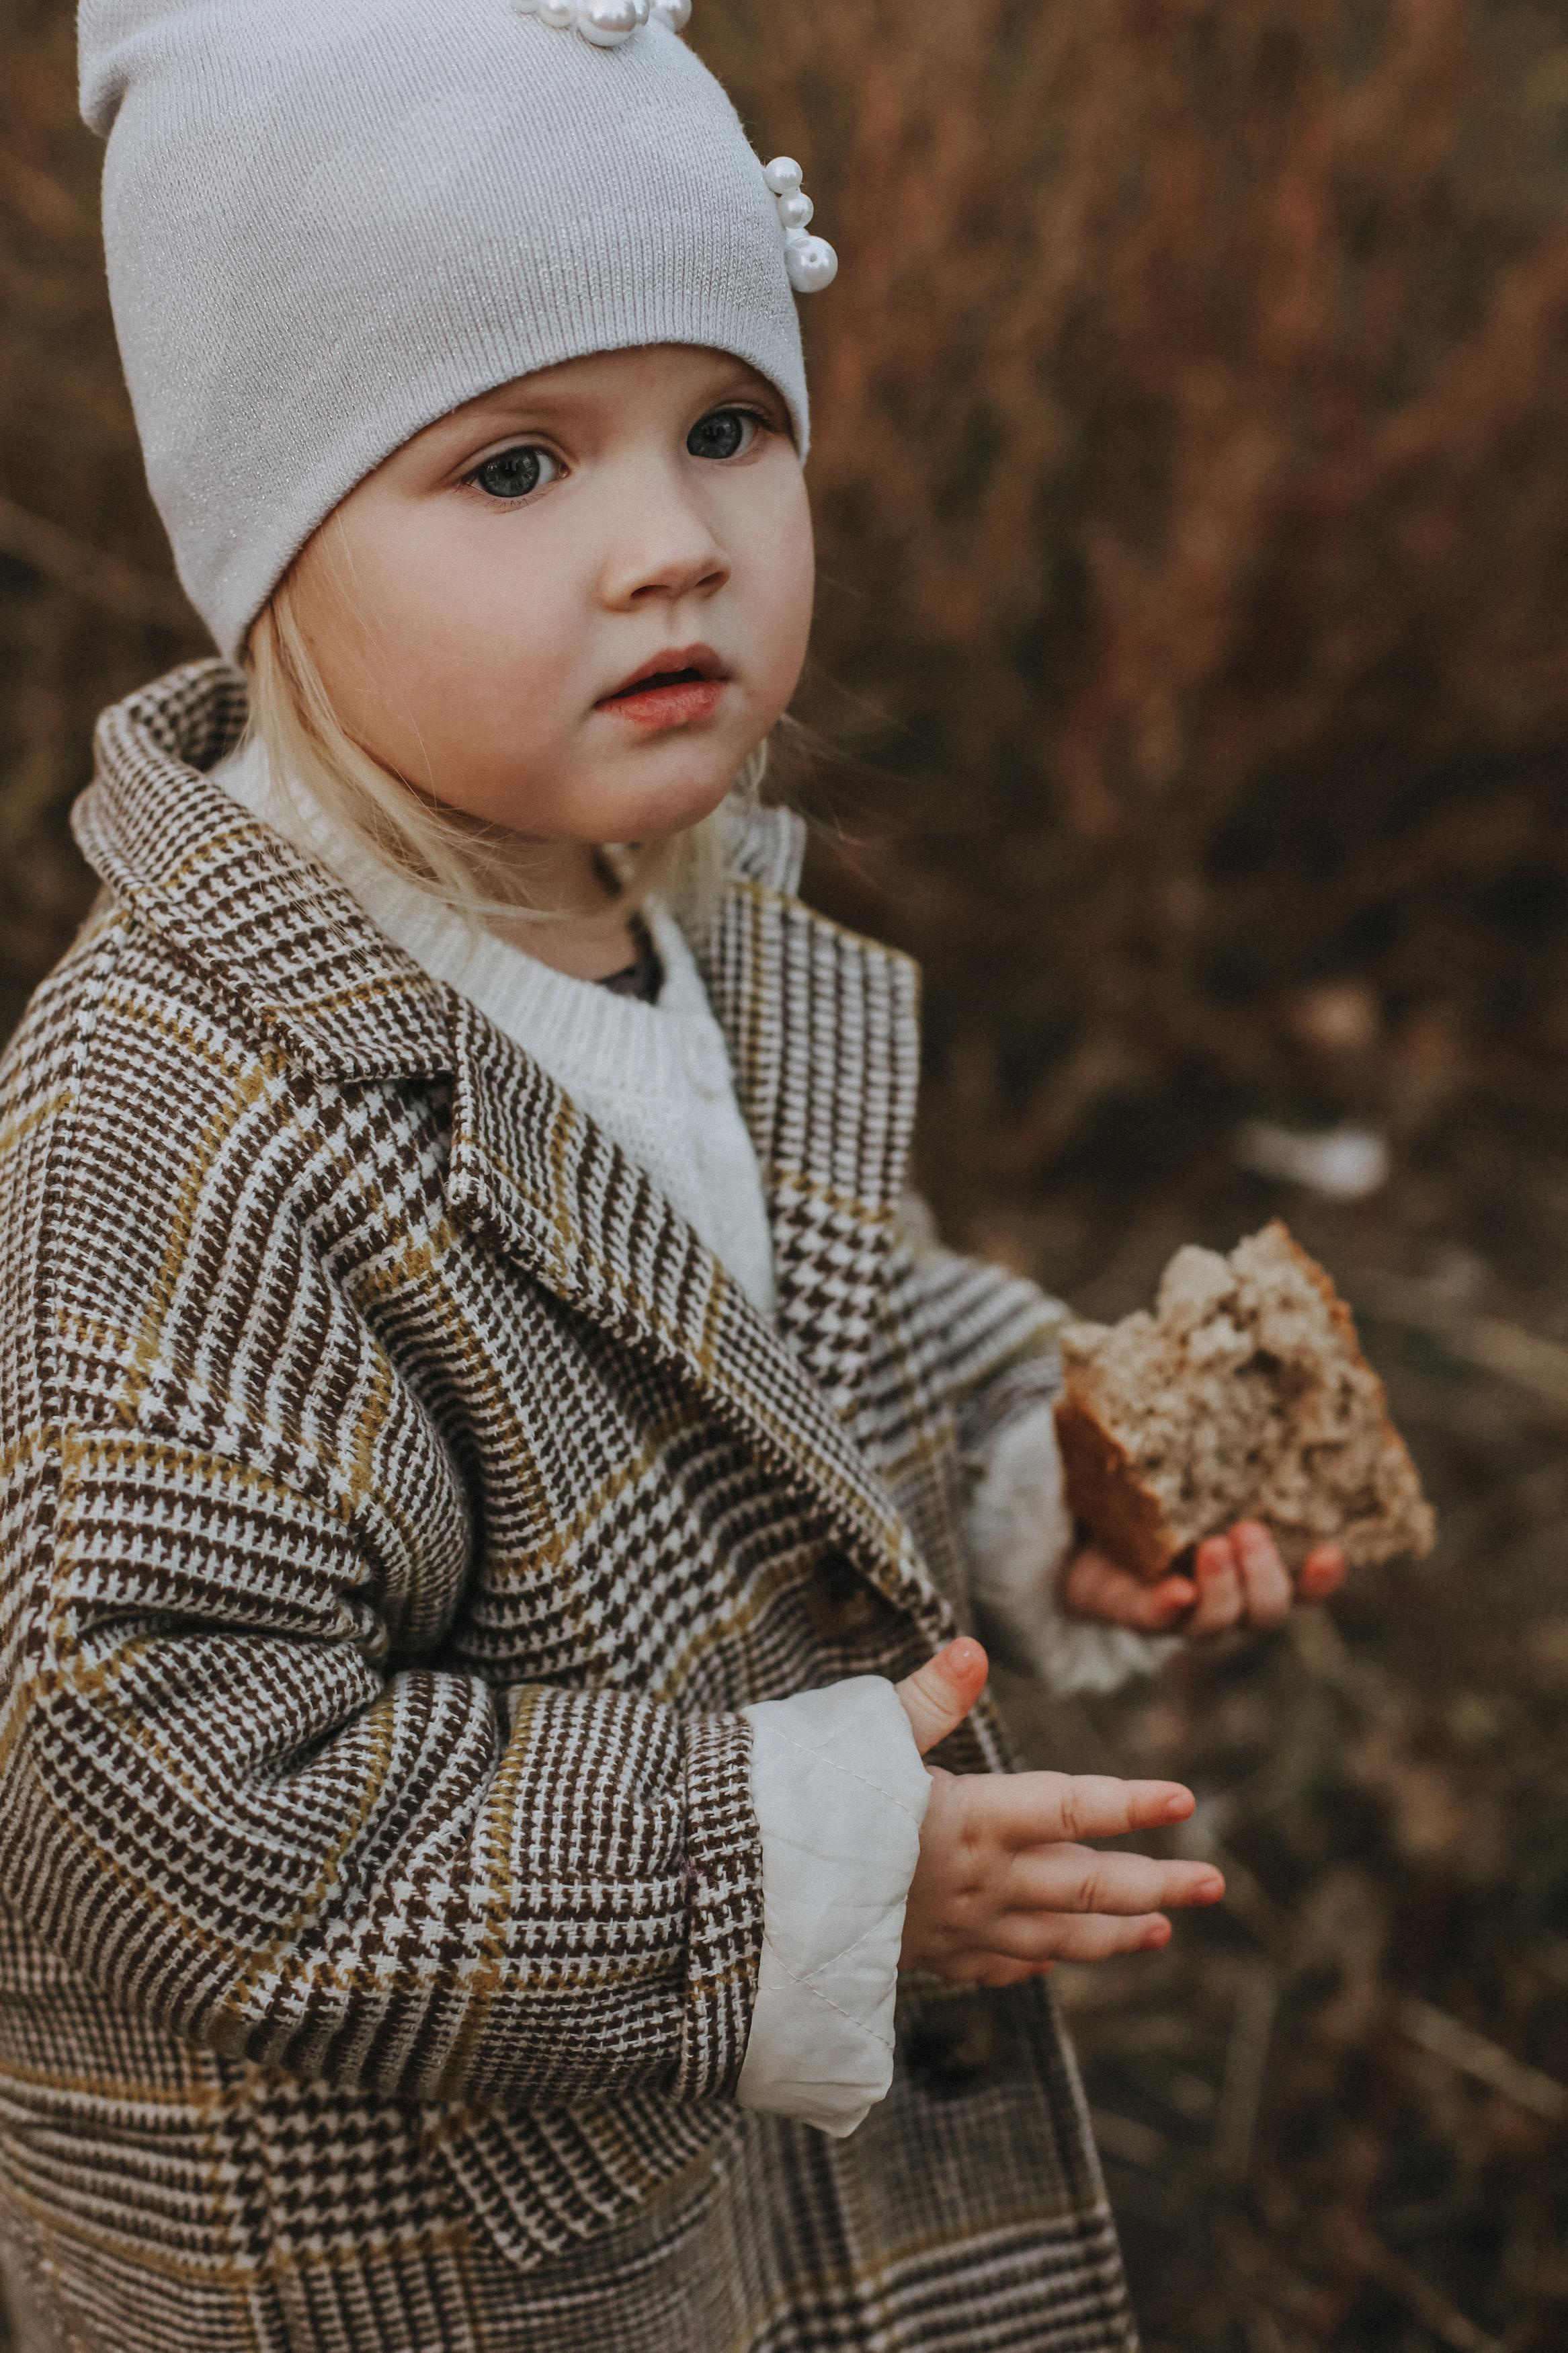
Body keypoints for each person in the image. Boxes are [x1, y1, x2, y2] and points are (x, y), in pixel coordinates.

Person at [0, 3, 1346, 2346]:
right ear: (275, 541)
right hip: (411, 2254)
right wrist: (808, 1875)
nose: (670, 546)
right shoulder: (178, 1124)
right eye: (515, 468)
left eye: (728, 428)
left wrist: (1060, 1465)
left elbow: (818, 1326)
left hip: (712, 2185)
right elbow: (160, 1783)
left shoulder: (670, 916)